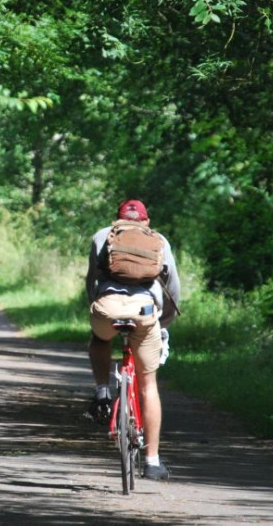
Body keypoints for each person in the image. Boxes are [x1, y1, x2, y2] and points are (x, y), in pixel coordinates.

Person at [85, 199, 181, 481]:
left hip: (108, 308)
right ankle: (152, 462)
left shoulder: (103, 236)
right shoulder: (159, 240)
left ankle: (103, 389)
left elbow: (92, 280)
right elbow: (173, 287)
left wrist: (98, 307)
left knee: (100, 340)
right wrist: (164, 322)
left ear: (117, 219)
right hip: (145, 310)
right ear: (146, 222)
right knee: (148, 383)